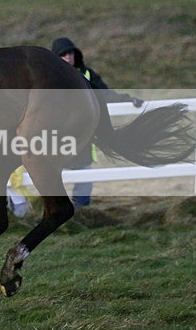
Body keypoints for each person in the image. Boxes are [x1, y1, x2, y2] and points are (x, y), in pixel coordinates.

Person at [52, 37, 143, 208]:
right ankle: (56, 210)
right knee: (54, 177)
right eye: (63, 55)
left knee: (84, 177)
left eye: (70, 53)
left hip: (83, 139)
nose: (68, 57)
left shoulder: (87, 74)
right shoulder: (48, 77)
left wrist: (128, 100)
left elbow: (105, 94)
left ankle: (80, 211)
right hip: (56, 139)